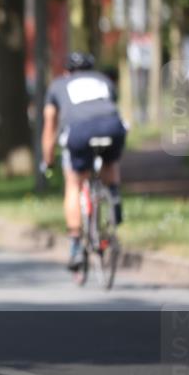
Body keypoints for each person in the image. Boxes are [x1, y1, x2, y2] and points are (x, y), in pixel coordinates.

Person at [42, 51, 126, 271]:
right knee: (110, 161)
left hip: (80, 130)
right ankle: (114, 195)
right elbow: (111, 105)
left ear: (67, 70)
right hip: (112, 126)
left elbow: (50, 124)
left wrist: (48, 160)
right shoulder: (104, 81)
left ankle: (76, 245)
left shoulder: (59, 84)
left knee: (74, 182)